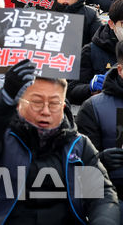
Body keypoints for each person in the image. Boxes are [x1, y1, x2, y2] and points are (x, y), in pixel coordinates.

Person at [0, 60, 119, 224]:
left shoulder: (79, 145)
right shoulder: (2, 137)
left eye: (54, 104)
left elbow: (101, 194)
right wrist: (5, 97)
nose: (45, 111)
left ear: (64, 106)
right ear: (19, 104)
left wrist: (104, 220)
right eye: (37, 102)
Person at [77, 40, 123, 220]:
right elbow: (82, 170)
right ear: (120, 70)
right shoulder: (93, 107)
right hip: (113, 200)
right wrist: (100, 160)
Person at [69, 0, 123, 105]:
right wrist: (89, 88)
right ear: (112, 24)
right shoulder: (91, 51)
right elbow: (71, 90)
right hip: (106, 114)